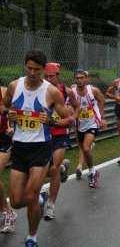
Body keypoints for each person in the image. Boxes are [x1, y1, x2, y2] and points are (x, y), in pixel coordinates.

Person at [0, 49, 73, 247]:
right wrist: (7, 113)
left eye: (37, 70)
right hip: (20, 147)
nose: (32, 73)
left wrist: (50, 121)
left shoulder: (51, 91)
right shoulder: (14, 86)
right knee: (15, 201)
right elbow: (2, 105)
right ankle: (41, 198)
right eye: (29, 68)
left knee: (30, 196)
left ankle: (31, 237)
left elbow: (68, 120)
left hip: (41, 147)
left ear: (43, 69)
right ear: (24, 65)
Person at [42, 63, 81, 220]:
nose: (49, 79)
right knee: (46, 170)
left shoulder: (67, 91)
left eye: (52, 76)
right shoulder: (41, 90)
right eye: (46, 76)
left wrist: (72, 118)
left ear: (58, 76)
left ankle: (51, 206)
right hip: (44, 133)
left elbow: (77, 107)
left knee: (53, 169)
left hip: (61, 133)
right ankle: (63, 170)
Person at [72, 69, 107, 187]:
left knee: (86, 149)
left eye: (82, 77)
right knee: (83, 149)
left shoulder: (93, 90)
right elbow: (65, 103)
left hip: (93, 122)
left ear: (86, 79)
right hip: (79, 124)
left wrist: (102, 118)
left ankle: (92, 173)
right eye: (77, 78)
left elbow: (101, 100)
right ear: (74, 79)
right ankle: (90, 166)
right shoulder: (71, 91)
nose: (80, 80)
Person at [0, 86, 16, 233]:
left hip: (3, 138)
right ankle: (7, 211)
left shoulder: (4, 91)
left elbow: (16, 110)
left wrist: (13, 127)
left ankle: (5, 214)